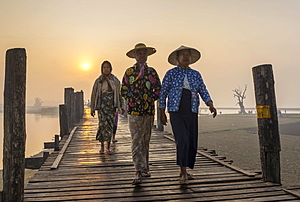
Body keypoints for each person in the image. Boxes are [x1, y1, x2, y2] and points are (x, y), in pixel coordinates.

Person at [159, 45, 217, 184]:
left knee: (191, 141)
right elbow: (163, 93)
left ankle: (184, 169)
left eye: (188, 54)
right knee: (182, 139)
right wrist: (162, 112)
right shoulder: (171, 73)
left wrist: (210, 104)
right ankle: (183, 171)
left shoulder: (196, 74)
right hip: (176, 110)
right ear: (177, 58)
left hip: (191, 109)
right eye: (183, 54)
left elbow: (202, 89)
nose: (186, 57)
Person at [120, 43, 161, 185]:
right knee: (136, 140)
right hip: (134, 111)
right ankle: (137, 170)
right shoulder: (129, 72)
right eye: (139, 53)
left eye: (144, 53)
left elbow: (157, 89)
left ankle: (145, 168)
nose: (142, 55)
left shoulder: (152, 72)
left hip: (149, 111)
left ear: (147, 55)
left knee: (145, 140)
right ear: (135, 56)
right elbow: (123, 90)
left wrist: (150, 98)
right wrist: (133, 98)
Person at [90, 60, 122, 154]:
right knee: (102, 125)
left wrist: (121, 106)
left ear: (111, 69)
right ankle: (102, 147)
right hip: (101, 105)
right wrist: (92, 108)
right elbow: (94, 94)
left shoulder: (115, 80)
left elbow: (120, 94)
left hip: (111, 105)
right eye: (104, 67)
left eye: (107, 67)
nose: (106, 69)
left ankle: (108, 147)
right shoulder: (99, 80)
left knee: (109, 126)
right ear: (102, 69)